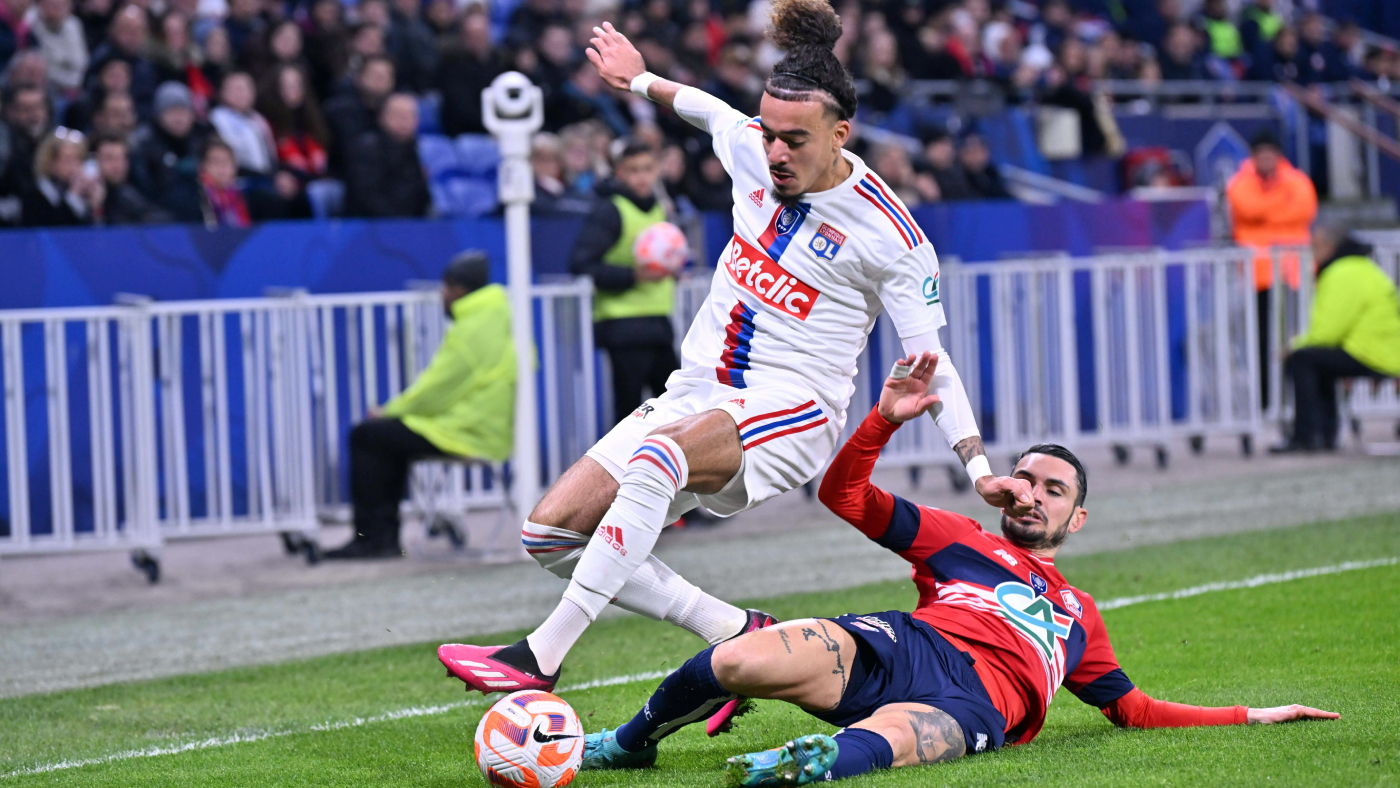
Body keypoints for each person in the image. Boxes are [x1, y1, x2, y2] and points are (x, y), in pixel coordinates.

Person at [438, 1, 1034, 744]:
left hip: (794, 410)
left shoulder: (891, 236)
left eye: (794, 140)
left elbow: (931, 366)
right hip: (698, 393)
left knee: (660, 458)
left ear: (840, 135)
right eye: (769, 132)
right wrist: (638, 80)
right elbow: (707, 110)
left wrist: (977, 467)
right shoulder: (751, 145)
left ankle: (541, 655)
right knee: (550, 536)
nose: (774, 151)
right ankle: (732, 629)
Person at [578, 352, 1340, 785]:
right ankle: (629, 742)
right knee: (737, 660)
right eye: (1026, 478)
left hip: (984, 700)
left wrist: (1251, 715)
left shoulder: (1080, 615)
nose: (1033, 494)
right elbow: (844, 497)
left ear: (1076, 519)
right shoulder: (961, 539)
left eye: (1054, 490)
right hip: (904, 645)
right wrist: (884, 419)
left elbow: (1134, 710)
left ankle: (802, 764)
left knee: (904, 735)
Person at [325, 251, 516, 559]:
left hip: (468, 431)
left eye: (446, 287)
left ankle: (374, 539)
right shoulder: (499, 315)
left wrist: (389, 410)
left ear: (460, 289)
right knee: (386, 439)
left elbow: (435, 390)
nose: (442, 294)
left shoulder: (473, 328)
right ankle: (381, 538)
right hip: (486, 428)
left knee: (367, 435)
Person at [569, 138, 680, 426]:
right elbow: (581, 263)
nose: (641, 177)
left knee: (675, 408)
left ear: (657, 170)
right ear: (619, 173)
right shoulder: (609, 211)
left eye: (647, 169)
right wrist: (634, 276)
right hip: (622, 325)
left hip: (658, 321)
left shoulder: (658, 209)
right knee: (630, 413)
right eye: (633, 170)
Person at [1273, 228, 1400, 453]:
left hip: (1376, 353)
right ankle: (1325, 433)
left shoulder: (1340, 273)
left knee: (1302, 359)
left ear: (1329, 248)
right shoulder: (1361, 268)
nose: (1311, 252)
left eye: (1314, 246)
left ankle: (1308, 436)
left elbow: (1326, 333)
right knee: (1318, 360)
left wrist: (1292, 346)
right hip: (1384, 350)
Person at [1226, 131, 1317, 410]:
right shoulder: (1240, 183)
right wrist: (1281, 204)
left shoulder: (1297, 180)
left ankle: (1298, 399)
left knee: (1300, 338)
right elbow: (1246, 208)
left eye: (1270, 153)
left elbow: (1304, 210)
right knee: (1261, 341)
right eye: (1261, 153)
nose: (1266, 158)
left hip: (1294, 275)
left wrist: (1264, 214)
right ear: (1253, 157)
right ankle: (1266, 400)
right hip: (1258, 276)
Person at [342, 92, 429, 217]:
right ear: (382, 117)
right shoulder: (366, 148)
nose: (405, 120)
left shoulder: (416, 151)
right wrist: (398, 222)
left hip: (407, 223)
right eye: (398, 114)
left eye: (411, 115)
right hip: (371, 223)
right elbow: (367, 197)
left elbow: (421, 198)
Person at [93, 133, 169, 223]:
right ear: (94, 162)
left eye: (121, 158)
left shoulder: (135, 191)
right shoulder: (83, 197)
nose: (117, 166)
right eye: (109, 158)